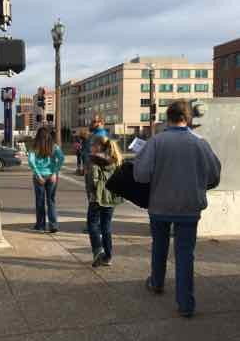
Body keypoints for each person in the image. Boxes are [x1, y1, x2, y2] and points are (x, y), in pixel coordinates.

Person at [133, 100, 221, 318]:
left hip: (160, 205)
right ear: (188, 118)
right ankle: (186, 304)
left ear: (168, 118)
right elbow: (214, 175)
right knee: (185, 254)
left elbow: (140, 175)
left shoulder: (156, 141)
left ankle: (156, 282)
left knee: (159, 246)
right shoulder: (201, 143)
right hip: (190, 207)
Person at [86, 135, 123, 267]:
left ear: (98, 146)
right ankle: (108, 256)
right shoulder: (114, 159)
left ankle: (98, 251)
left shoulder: (93, 160)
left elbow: (92, 180)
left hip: (96, 197)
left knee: (92, 224)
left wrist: (90, 195)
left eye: (92, 145)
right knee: (106, 226)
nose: (90, 148)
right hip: (110, 198)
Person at [28, 127, 65, 233]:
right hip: (52, 176)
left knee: (40, 202)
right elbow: (61, 158)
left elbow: (31, 162)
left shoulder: (34, 146)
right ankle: (53, 225)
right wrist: (54, 172)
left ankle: (41, 225)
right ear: (49, 135)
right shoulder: (54, 146)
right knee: (51, 201)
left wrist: (38, 175)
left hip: (39, 176)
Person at [82, 115, 109, 233]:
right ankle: (94, 224)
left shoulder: (100, 135)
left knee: (94, 197)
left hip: (94, 170)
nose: (91, 123)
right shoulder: (95, 135)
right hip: (92, 168)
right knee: (94, 197)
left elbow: (98, 154)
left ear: (100, 122)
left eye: (94, 121)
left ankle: (93, 225)